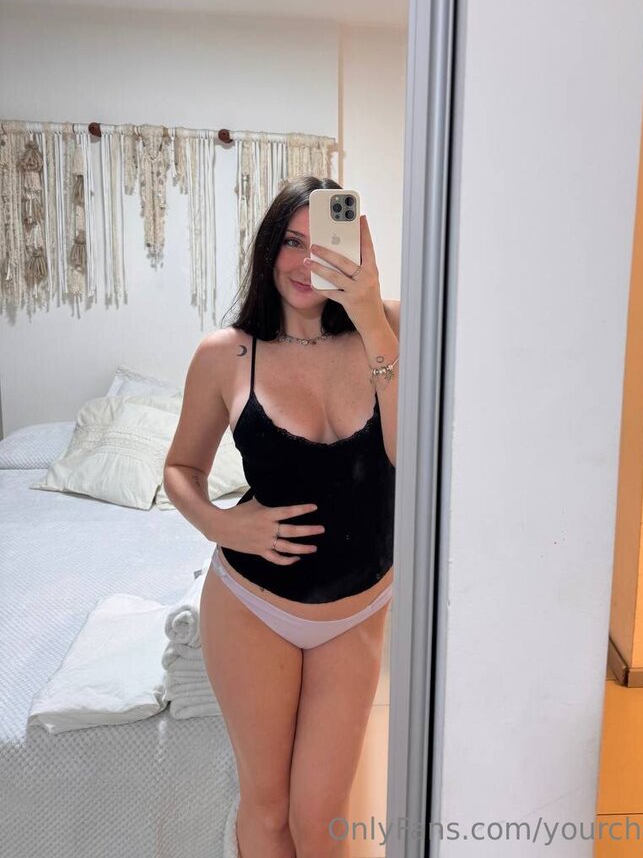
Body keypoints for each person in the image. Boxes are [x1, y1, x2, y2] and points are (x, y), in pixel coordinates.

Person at [163, 175, 400, 858]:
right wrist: (221, 525)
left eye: (324, 243)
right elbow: (181, 469)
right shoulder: (227, 354)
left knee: (320, 819)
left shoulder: (390, 326)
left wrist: (371, 318)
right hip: (252, 606)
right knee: (267, 808)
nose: (305, 262)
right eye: (291, 242)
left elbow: (409, 458)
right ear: (268, 249)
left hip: (357, 608)